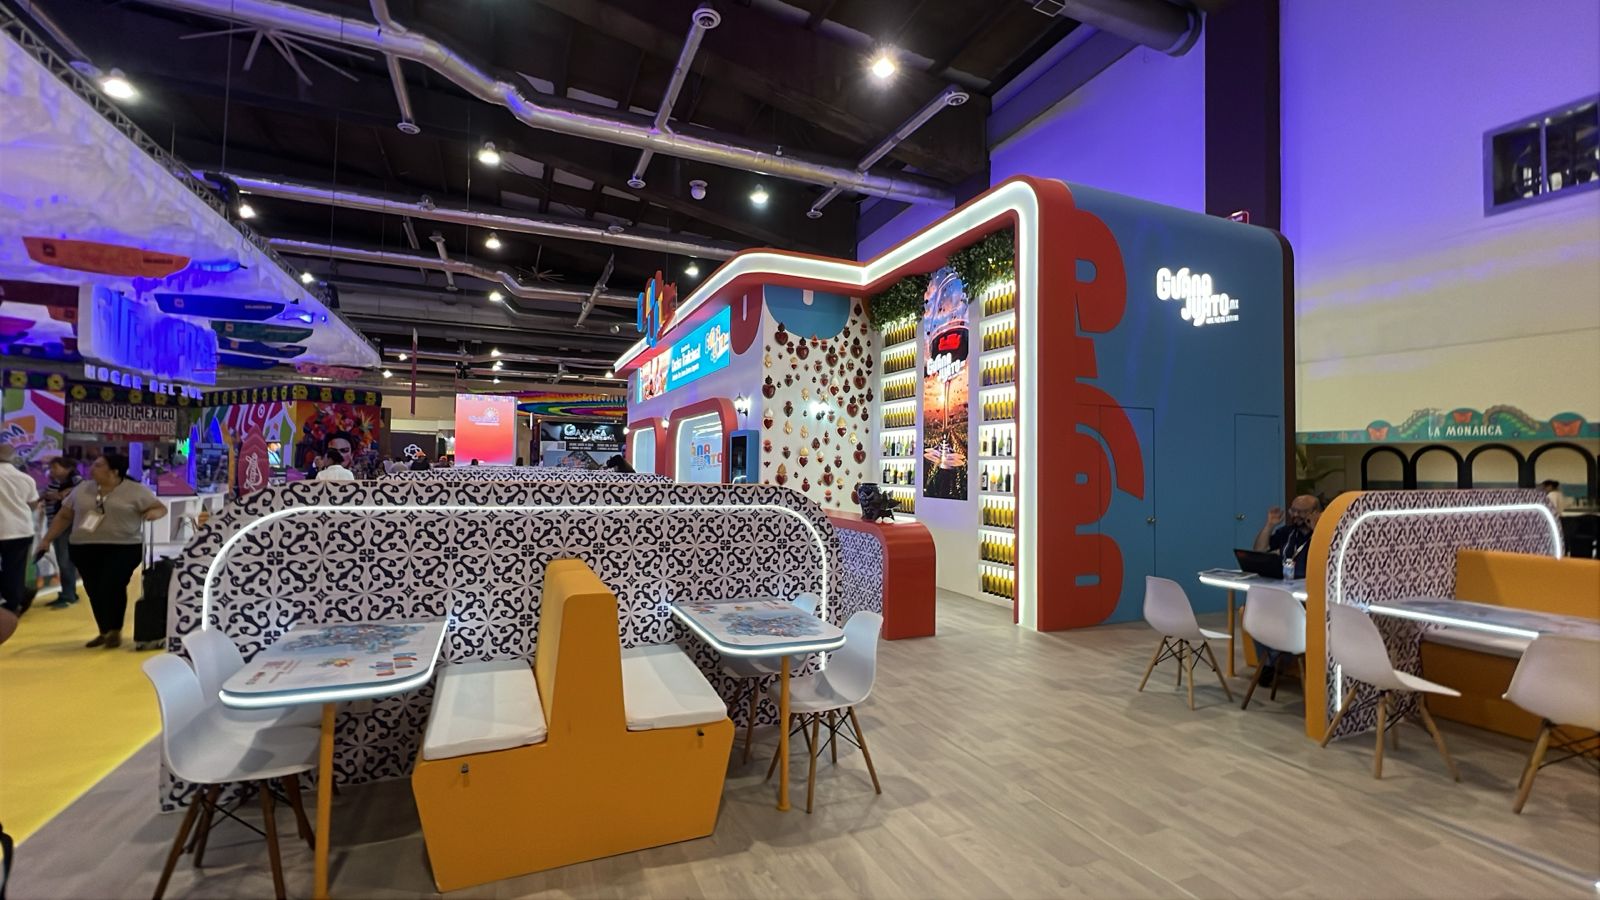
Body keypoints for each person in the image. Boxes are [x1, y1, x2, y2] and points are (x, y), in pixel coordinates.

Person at [35, 453, 167, 649]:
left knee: (112, 585)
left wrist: (152, 513)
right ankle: (104, 630)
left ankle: (115, 629)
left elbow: (160, 508)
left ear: (114, 471)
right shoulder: (82, 489)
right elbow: (64, 516)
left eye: (98, 465)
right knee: (94, 589)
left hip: (123, 547)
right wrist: (47, 540)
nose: (92, 468)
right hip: (84, 546)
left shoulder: (135, 490)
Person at [0, 445, 40, 647]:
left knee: (9, 571)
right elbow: (33, 504)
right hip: (21, 530)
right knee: (15, 569)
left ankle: (18, 595)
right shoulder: (25, 478)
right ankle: (15, 602)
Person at [41, 457, 82, 609]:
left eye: (55, 467)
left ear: (67, 468)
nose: (51, 471)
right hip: (54, 525)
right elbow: (48, 495)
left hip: (67, 526)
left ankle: (68, 594)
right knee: (62, 560)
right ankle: (68, 592)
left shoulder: (76, 481)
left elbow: (78, 495)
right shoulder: (55, 483)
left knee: (65, 561)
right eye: (51, 468)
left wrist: (59, 495)